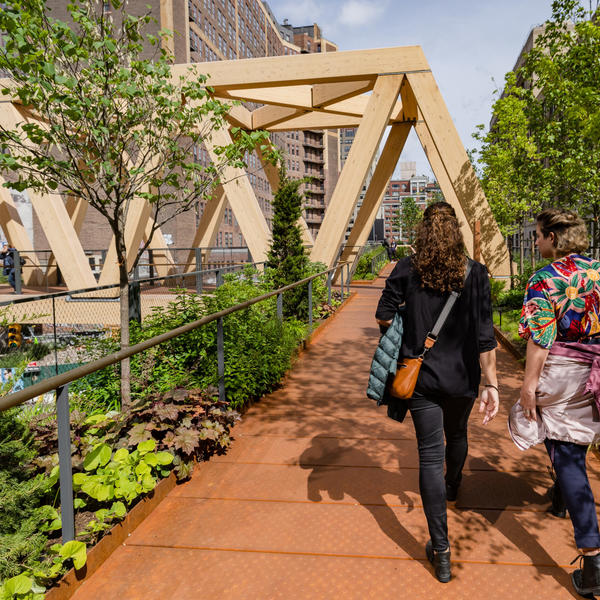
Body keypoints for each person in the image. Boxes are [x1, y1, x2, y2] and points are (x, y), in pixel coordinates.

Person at [375, 202, 499, 583]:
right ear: (456, 232)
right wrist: (491, 383)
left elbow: (382, 313)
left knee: (429, 456)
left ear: (422, 231)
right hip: (462, 378)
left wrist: (403, 330)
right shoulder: (475, 273)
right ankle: (454, 484)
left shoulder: (408, 269)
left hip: (421, 378)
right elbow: (483, 335)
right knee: (458, 434)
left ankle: (441, 551)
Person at [511, 208, 600, 598]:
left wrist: (528, 386)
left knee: (564, 453)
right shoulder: (598, 271)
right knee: (572, 442)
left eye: (538, 236)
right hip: (595, 368)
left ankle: (593, 556)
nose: (535, 242)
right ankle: (561, 499)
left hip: (563, 369)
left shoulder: (545, 279)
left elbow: (540, 338)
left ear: (553, 237)